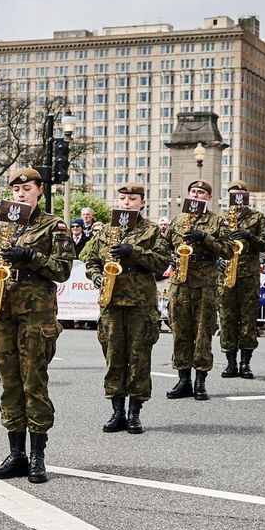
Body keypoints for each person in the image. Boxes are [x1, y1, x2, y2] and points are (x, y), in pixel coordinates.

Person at [0, 167, 74, 483]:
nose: (20, 194)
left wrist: (31, 256)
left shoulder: (54, 226)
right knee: (9, 383)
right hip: (2, 311)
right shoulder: (2, 225)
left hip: (36, 314)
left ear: (39, 191)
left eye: (27, 189)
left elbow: (62, 270)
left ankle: (37, 456)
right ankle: (16, 453)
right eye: (16, 190)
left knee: (34, 381)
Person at [85, 182, 170, 433]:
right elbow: (91, 261)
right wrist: (97, 277)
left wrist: (133, 251)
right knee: (113, 358)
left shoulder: (152, 231)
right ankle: (117, 412)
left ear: (142, 202)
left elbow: (161, 263)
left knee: (139, 359)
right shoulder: (106, 231)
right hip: (111, 304)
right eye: (123, 198)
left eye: (132, 199)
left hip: (140, 305)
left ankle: (135, 413)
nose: (126, 203)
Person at [164, 179, 228, 400]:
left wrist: (205, 237)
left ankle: (200, 381)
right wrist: (172, 258)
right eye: (193, 191)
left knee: (203, 333)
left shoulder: (217, 221)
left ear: (208, 197)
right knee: (180, 332)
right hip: (180, 284)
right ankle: (183, 380)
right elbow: (163, 248)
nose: (196, 195)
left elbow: (228, 250)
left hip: (205, 285)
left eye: (201, 192)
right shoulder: (178, 220)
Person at [217, 181, 265, 379]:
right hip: (226, 276)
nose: (237, 198)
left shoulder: (257, 217)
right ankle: (230, 363)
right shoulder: (221, 218)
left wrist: (250, 236)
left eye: (240, 194)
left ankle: (245, 363)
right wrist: (218, 261)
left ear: (246, 196)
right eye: (233, 194)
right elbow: (213, 245)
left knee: (248, 320)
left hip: (248, 276)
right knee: (227, 318)